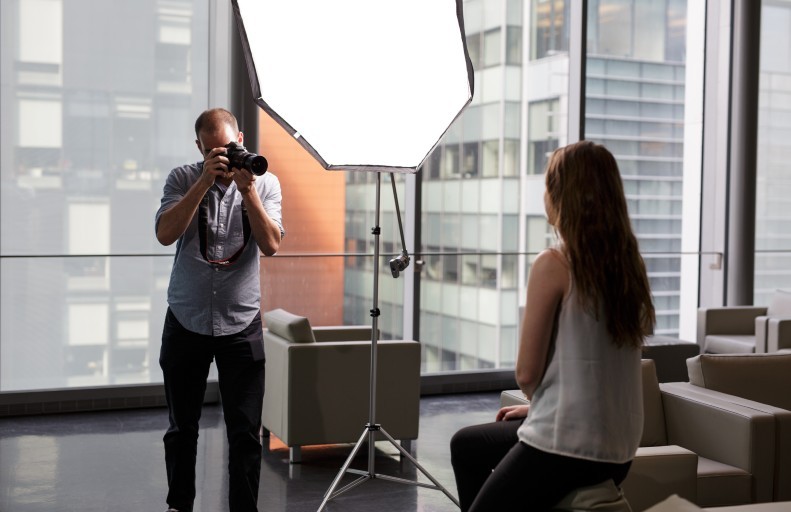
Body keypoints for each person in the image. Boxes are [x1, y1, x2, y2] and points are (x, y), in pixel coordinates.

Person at [450, 140, 655, 511]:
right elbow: (601, 369)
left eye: (547, 184)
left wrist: (540, 403)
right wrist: (540, 408)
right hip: (619, 451)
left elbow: (527, 374)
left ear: (562, 195)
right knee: (468, 444)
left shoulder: (555, 263)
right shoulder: (629, 267)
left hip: (566, 448)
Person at [155, 108, 284, 512]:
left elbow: (271, 245)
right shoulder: (182, 177)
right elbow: (164, 234)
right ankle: (180, 506)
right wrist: (204, 181)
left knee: (245, 433)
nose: (226, 158)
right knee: (181, 429)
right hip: (187, 318)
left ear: (241, 139)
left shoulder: (265, 183)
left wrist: (247, 192)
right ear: (200, 149)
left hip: (241, 323)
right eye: (214, 152)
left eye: (230, 148)